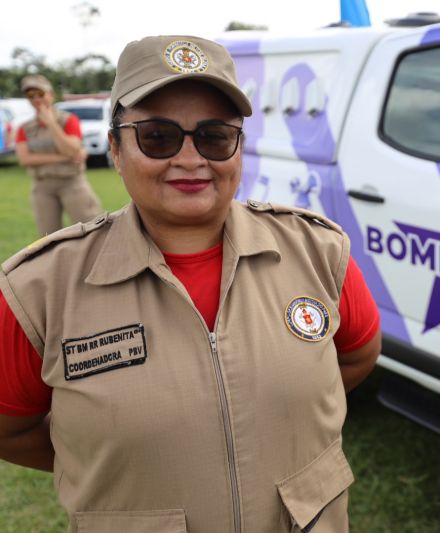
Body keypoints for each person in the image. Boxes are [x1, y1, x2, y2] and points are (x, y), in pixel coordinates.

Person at [0, 35, 381, 532]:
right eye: (158, 136)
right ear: (115, 148)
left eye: (214, 136)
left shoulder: (318, 251)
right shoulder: (39, 289)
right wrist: (107, 457)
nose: (190, 158)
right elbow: (8, 429)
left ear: (238, 146)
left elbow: (355, 356)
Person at [14, 74, 103, 236]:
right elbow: (25, 159)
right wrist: (65, 157)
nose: (36, 99)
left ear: (51, 95)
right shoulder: (24, 128)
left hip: (72, 182)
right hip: (42, 186)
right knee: (48, 238)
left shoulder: (68, 121)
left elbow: (72, 150)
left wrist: (51, 124)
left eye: (40, 94)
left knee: (92, 230)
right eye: (30, 95)